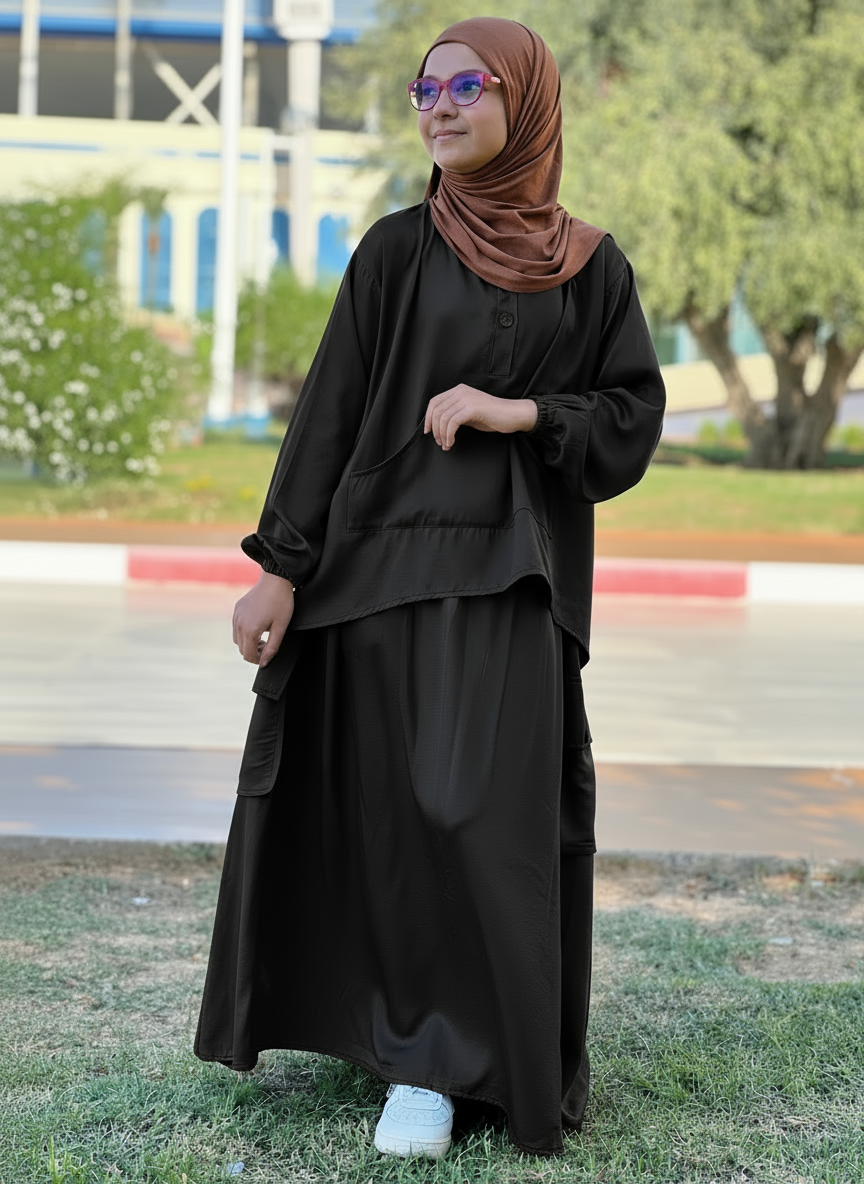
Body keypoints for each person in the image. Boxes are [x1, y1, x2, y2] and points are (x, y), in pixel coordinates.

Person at [194, 16, 665, 1160]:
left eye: (467, 86)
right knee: (392, 822)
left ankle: (483, 1052)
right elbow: (330, 413)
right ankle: (416, 1059)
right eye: (425, 89)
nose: (439, 107)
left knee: (477, 817)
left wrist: (521, 412)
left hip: (513, 580)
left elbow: (629, 420)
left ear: (526, 102)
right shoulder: (395, 251)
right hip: (372, 576)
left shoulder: (591, 266)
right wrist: (279, 567)